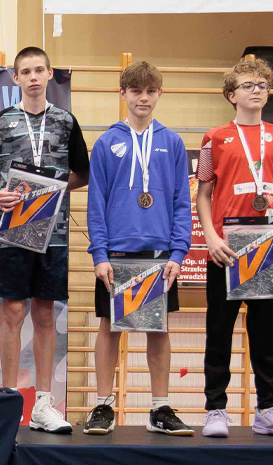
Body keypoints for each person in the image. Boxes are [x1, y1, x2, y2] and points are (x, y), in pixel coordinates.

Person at [0, 46, 88, 434]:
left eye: (39, 70)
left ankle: (43, 403)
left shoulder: (66, 122)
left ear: (50, 74)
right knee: (12, 312)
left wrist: (51, 192)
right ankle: (10, 402)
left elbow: (82, 174)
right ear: (16, 78)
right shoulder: (2, 121)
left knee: (44, 313)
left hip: (52, 233)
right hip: (12, 228)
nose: (34, 77)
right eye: (26, 72)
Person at [194, 57, 273, 438]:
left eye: (262, 85)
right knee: (219, 330)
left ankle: (268, 410)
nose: (256, 90)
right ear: (231, 94)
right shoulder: (214, 138)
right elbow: (203, 194)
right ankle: (215, 409)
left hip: (267, 245)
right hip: (227, 247)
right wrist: (210, 237)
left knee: (264, 333)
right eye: (247, 85)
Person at [82, 62, 191, 436]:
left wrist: (178, 253)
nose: (143, 98)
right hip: (116, 253)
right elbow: (96, 203)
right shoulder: (105, 142)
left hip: (160, 254)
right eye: (136, 90)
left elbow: (181, 202)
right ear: (123, 94)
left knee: (158, 330)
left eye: (150, 91)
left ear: (159, 94)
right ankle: (103, 405)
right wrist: (99, 254)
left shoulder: (172, 142)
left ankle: (159, 407)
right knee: (109, 327)